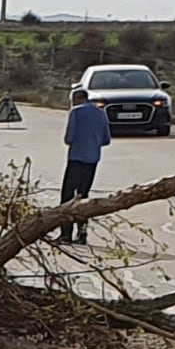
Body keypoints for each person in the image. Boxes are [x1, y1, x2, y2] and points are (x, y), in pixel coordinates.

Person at [57, 86, 111, 245]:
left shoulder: (76, 112)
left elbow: (69, 138)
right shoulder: (100, 113)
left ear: (77, 98)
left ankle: (66, 234)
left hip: (76, 158)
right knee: (83, 196)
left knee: (67, 196)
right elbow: (106, 139)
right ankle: (82, 234)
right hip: (92, 159)